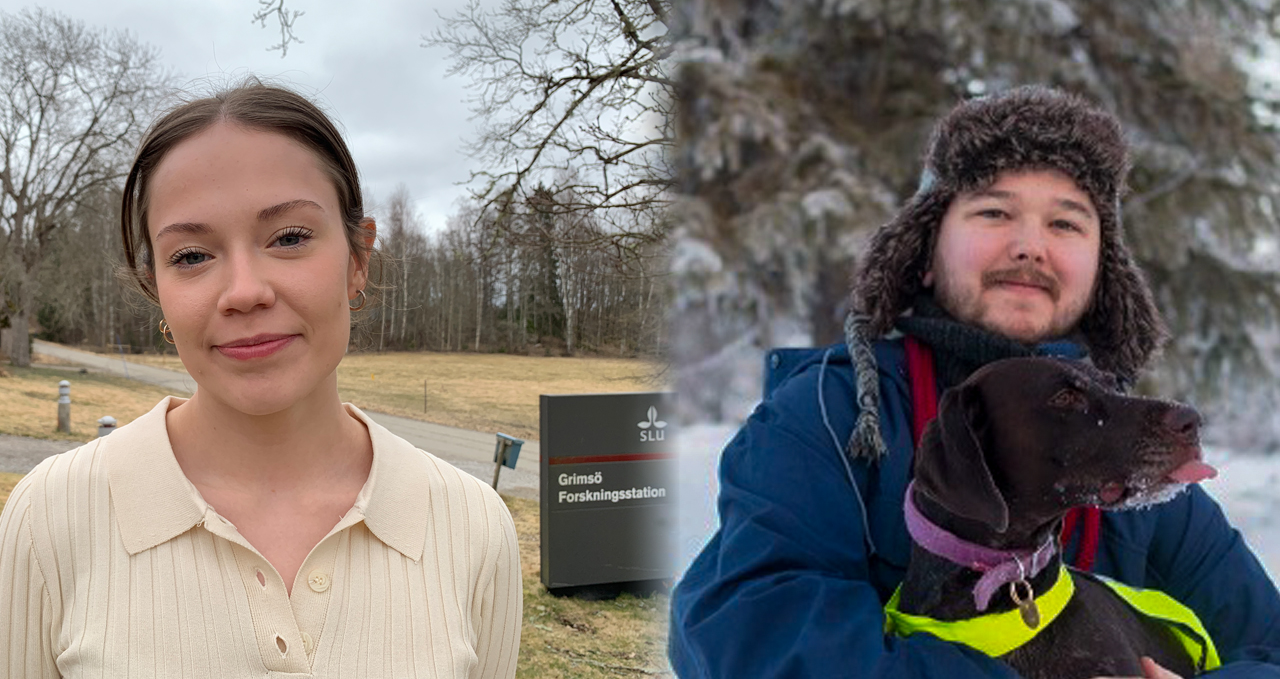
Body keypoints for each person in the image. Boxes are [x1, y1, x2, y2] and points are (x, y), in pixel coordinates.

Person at [669, 86, 1280, 678]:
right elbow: (744, 633)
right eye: (994, 211)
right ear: (926, 255)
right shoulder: (833, 416)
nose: (1029, 246)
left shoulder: (1131, 456)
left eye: (1066, 224)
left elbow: (1269, 646)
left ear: (1101, 273)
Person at [0, 82, 522, 678]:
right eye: (192, 255)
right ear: (157, 290)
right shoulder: (50, 517)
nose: (245, 291)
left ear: (358, 260)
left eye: (290, 237)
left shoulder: (473, 527)